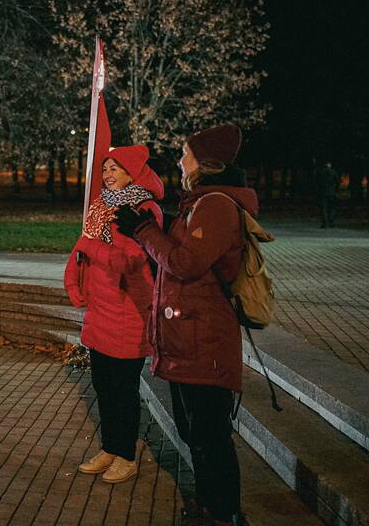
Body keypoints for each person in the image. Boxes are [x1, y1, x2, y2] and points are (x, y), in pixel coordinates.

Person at [116, 123, 252, 526]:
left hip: (204, 341)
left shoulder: (216, 205)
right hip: (187, 338)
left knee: (211, 437)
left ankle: (225, 514)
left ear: (206, 163)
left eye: (184, 153)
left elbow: (184, 263)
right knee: (196, 436)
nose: (179, 160)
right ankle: (209, 506)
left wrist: (143, 231)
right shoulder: (200, 203)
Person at [64, 145, 164, 484]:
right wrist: (75, 280)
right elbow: (87, 253)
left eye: (114, 169)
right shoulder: (101, 207)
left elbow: (128, 260)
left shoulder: (142, 209)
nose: (107, 175)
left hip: (127, 313)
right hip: (100, 310)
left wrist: (86, 244)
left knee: (123, 389)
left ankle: (126, 455)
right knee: (103, 385)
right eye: (105, 168)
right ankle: (110, 446)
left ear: (131, 173)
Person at [315, 161, 339, 228]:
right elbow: (337, 182)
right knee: (331, 208)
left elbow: (317, 182)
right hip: (331, 192)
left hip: (323, 192)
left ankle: (325, 223)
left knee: (324, 208)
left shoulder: (321, 172)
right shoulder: (333, 172)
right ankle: (331, 222)